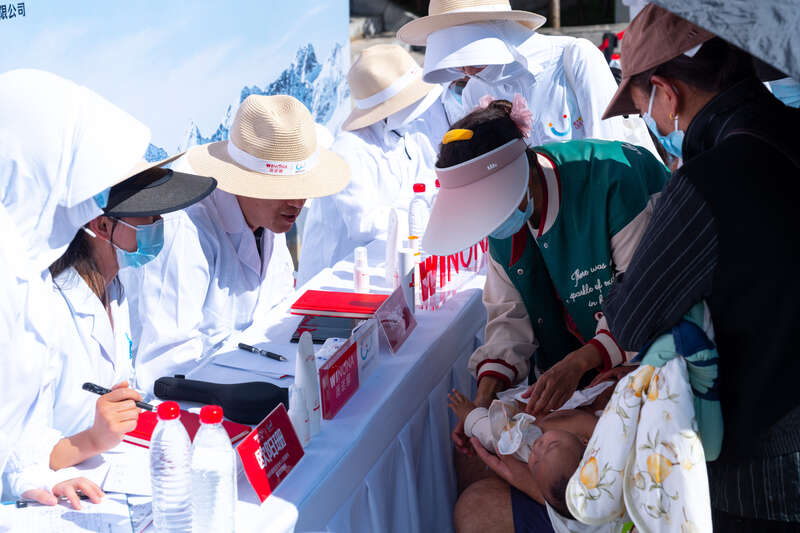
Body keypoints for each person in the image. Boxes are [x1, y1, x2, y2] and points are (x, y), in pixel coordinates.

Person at [422, 99, 668, 530]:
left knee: (483, 504)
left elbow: (649, 303)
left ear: (523, 173)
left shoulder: (611, 179)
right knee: (476, 456)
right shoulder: (504, 221)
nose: (488, 223)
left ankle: (586, 518)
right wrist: (484, 401)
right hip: (576, 386)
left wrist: (579, 365)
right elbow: (507, 319)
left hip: (642, 375)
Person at [599, 5, 800, 530]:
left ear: (667, 92)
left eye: (645, 109)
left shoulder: (709, 180)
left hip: (763, 476)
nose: (655, 125)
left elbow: (631, 320)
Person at [4, 161, 216, 501]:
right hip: (64, 490)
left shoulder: (114, 288)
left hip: (109, 468)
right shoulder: (46, 308)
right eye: (148, 216)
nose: (158, 225)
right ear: (103, 226)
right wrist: (93, 439)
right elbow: (18, 454)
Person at [0, 68, 161, 508]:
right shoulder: (23, 281)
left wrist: (33, 477)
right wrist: (88, 440)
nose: (157, 224)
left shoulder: (31, 273)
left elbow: (19, 435)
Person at [124, 95, 350, 394]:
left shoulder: (270, 215)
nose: (298, 202)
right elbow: (166, 366)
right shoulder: (186, 230)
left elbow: (279, 307)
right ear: (244, 182)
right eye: (283, 188)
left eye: (302, 187)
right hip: (206, 403)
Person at [397, 0, 658, 155]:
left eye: (469, 57)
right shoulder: (474, 92)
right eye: (455, 64)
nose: (465, 72)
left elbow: (609, 151)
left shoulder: (575, 57)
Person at [298, 44, 450, 286]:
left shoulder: (403, 134)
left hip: (386, 265)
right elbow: (363, 224)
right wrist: (423, 218)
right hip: (337, 278)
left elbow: (417, 188)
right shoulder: (350, 149)